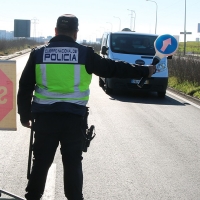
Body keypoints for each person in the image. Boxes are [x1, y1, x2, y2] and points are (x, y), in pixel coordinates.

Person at [17, 14, 156, 200]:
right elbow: (113, 68)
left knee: (41, 162)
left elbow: (25, 86)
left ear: (56, 31)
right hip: (74, 120)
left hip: (45, 119)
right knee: (73, 163)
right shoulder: (84, 54)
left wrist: (24, 115)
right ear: (75, 33)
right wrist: (144, 70)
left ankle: (32, 197)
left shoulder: (38, 53)